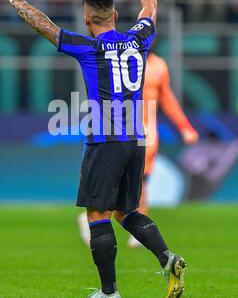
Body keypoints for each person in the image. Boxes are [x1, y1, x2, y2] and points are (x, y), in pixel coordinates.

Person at [1, 0, 186, 298]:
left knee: (97, 214)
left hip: (106, 139)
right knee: (126, 211)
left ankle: (109, 292)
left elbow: (46, 27)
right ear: (116, 17)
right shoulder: (139, 39)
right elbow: (151, 8)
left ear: (88, 20)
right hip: (137, 139)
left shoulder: (88, 47)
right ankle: (168, 259)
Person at [78, 52, 199, 248]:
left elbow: (167, 98)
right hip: (123, 129)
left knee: (142, 179)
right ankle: (102, 214)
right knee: (133, 178)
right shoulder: (120, 60)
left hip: (148, 130)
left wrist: (184, 126)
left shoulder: (159, 65)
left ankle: (129, 224)